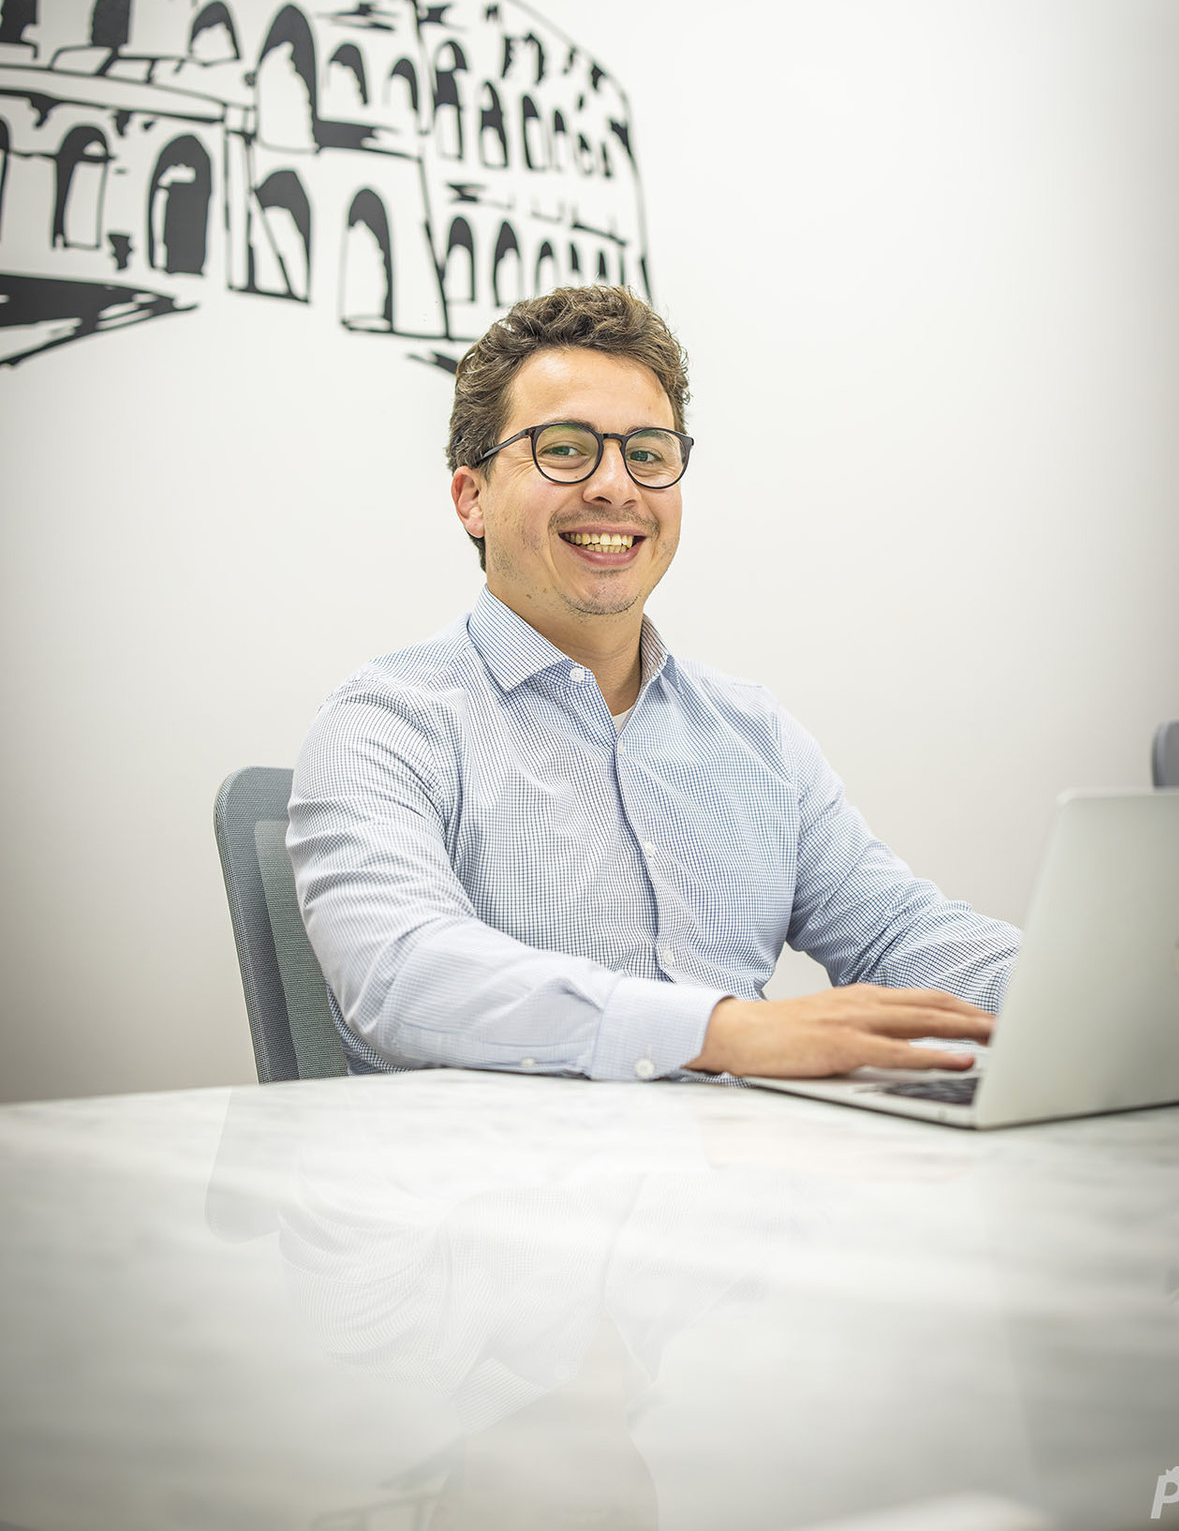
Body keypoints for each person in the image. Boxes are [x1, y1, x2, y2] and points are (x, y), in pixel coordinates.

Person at [287, 285, 1017, 1083]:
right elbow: (402, 972)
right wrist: (725, 1032)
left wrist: (1078, 994)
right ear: (473, 498)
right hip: (496, 1162)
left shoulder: (756, 736)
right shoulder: (383, 724)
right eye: (565, 448)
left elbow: (897, 935)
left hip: (747, 1158)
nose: (615, 485)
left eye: (647, 454)